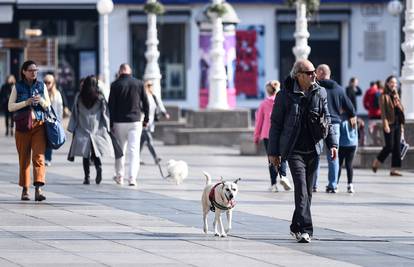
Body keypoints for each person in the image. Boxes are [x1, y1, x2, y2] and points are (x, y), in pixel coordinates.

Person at [268, 59, 337, 243]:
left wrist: (333, 144)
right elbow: (275, 125)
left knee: (308, 192)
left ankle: (296, 225)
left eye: (314, 71)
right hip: (294, 150)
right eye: (309, 72)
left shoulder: (320, 91)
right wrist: (273, 152)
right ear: (298, 75)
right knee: (301, 189)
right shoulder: (285, 95)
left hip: (314, 148)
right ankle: (306, 230)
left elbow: (327, 119)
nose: (314, 75)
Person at [8, 60, 51, 201]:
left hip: (38, 125)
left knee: (39, 157)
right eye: (31, 70)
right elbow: (10, 107)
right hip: (22, 127)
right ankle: (25, 189)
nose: (34, 73)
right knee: (24, 159)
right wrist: (26, 102)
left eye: (36, 70)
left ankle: (39, 189)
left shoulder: (41, 85)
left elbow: (48, 106)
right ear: (24, 72)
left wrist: (41, 102)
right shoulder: (18, 87)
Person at [316, 64, 356, 193]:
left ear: (321, 72)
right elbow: (350, 107)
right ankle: (332, 185)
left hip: (317, 123)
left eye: (316, 71)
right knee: (333, 155)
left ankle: (313, 184)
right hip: (334, 125)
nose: (315, 74)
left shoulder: (315, 87)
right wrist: (351, 116)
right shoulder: (339, 89)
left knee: (315, 155)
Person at [67, 75, 113, 185]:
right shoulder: (100, 98)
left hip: (83, 128)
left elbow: (75, 112)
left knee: (85, 155)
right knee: (96, 153)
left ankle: (86, 177)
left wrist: (72, 127)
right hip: (96, 129)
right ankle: (99, 167)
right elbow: (105, 113)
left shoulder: (79, 97)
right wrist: (108, 126)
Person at [108, 63, 149, 186]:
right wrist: (146, 119)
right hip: (135, 121)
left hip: (119, 122)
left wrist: (110, 123)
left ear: (120, 71)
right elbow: (146, 103)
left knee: (120, 150)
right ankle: (132, 178)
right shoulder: (139, 83)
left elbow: (111, 106)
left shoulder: (115, 85)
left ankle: (119, 176)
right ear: (129, 71)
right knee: (134, 150)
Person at [254, 80, 291, 192]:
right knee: (282, 156)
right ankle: (283, 177)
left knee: (271, 159)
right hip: (282, 133)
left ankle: (273, 184)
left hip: (267, 135)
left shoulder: (264, 104)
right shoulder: (284, 101)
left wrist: (256, 136)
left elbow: (259, 121)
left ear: (268, 91)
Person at [372, 75, 405, 176]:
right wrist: (385, 124)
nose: (394, 84)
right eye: (392, 82)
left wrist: (397, 99)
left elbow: (401, 110)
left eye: (395, 83)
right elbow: (383, 113)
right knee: (389, 146)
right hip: (389, 123)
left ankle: (394, 169)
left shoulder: (396, 95)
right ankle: (377, 161)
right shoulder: (383, 96)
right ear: (387, 83)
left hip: (398, 123)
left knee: (397, 147)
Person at [140, 80, 170, 165]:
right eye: (148, 85)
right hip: (143, 121)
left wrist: (165, 113)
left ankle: (136, 157)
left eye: (151, 85)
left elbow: (160, 105)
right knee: (149, 139)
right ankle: (155, 157)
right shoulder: (142, 96)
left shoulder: (153, 96)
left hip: (151, 122)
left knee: (142, 141)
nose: (150, 87)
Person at [43, 74, 63, 166]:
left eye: (49, 82)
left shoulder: (57, 94)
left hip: (52, 121)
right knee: (41, 139)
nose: (47, 84)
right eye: (45, 82)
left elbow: (60, 108)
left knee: (49, 139)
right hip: (42, 120)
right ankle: (41, 157)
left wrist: (58, 121)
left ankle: (47, 158)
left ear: (53, 83)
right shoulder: (41, 93)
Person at [338, 114, 358, 193]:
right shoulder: (354, 118)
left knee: (339, 164)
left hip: (342, 144)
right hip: (352, 144)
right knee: (349, 164)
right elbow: (356, 133)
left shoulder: (340, 118)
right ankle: (350, 184)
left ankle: (335, 184)